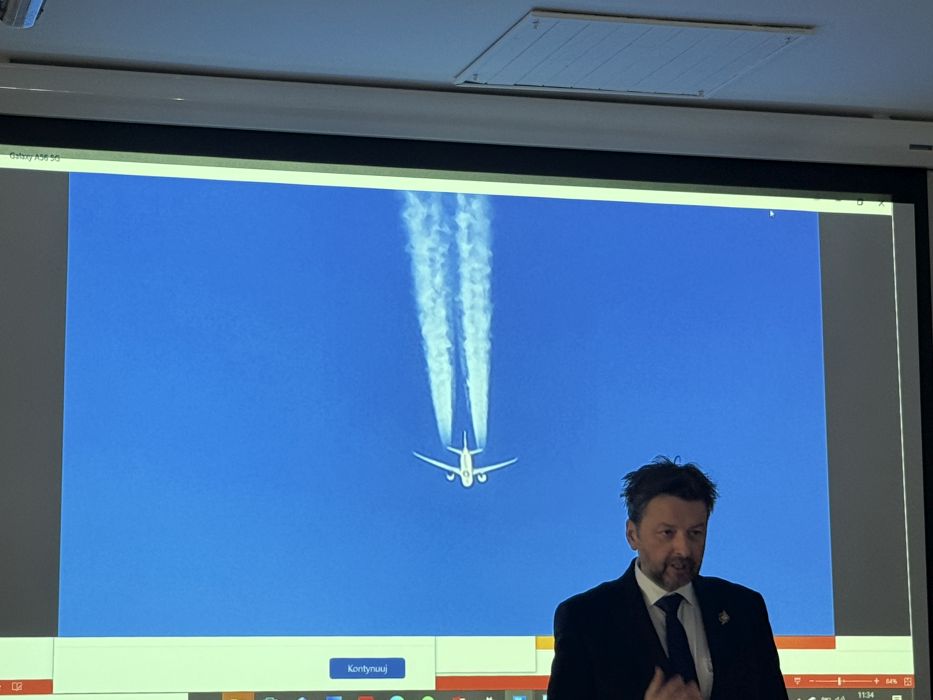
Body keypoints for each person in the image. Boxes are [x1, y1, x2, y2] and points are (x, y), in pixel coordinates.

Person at [547, 457, 786, 700]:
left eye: (695, 533)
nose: (683, 549)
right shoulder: (586, 619)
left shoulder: (745, 609)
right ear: (632, 535)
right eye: (667, 533)